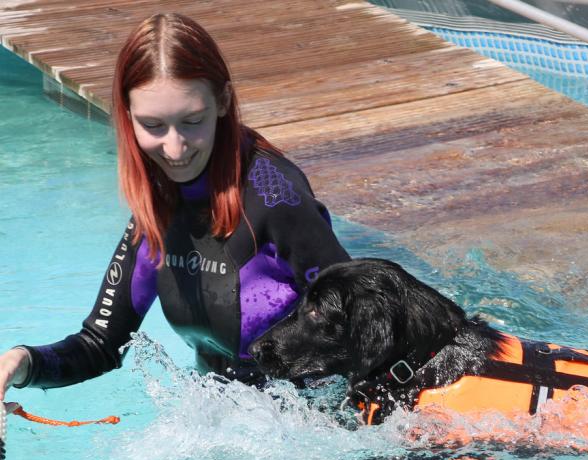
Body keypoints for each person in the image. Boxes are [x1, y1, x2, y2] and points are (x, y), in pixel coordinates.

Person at [0, 13, 350, 414]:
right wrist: (20, 363)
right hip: (223, 426)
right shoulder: (157, 209)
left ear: (222, 101)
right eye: (153, 125)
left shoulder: (275, 197)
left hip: (317, 434)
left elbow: (365, 312)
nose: (175, 148)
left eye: (192, 121)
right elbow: (100, 345)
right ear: (126, 115)